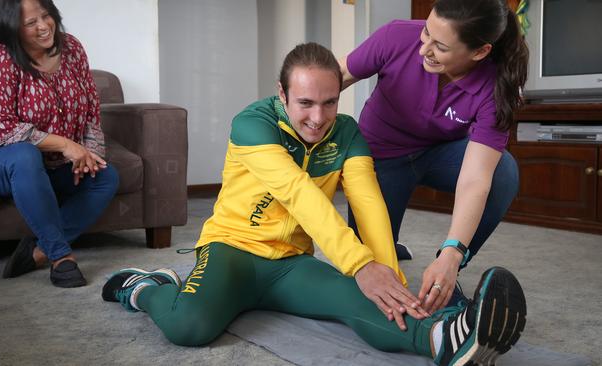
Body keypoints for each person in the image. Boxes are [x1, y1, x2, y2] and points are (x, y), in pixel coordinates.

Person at [102, 42, 526, 365]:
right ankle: (146, 287)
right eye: (305, 103)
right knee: (187, 326)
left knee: (370, 303)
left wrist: (388, 278)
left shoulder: (347, 133)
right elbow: (300, 195)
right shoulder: (254, 124)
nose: (318, 118)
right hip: (231, 250)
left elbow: (368, 204)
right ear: (281, 94)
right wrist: (359, 265)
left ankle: (444, 339)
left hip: (290, 264)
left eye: (329, 102)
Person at [339, 0, 528, 313]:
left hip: (440, 155)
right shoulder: (397, 37)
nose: (423, 49)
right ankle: (389, 240)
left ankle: (446, 274)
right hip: (380, 157)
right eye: (426, 33)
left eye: (439, 46)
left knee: (503, 171)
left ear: (479, 52)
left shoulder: (496, 87)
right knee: (367, 275)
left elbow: (475, 179)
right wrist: (287, 110)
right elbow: (338, 74)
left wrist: (452, 254)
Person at [0, 0, 119, 287]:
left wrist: (88, 154)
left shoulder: (71, 48)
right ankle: (61, 258)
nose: (44, 26)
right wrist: (66, 145)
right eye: (31, 23)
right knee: (24, 155)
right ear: (11, 28)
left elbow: (92, 108)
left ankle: (38, 251)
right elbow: (1, 127)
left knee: (105, 176)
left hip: (53, 163)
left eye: (46, 16)